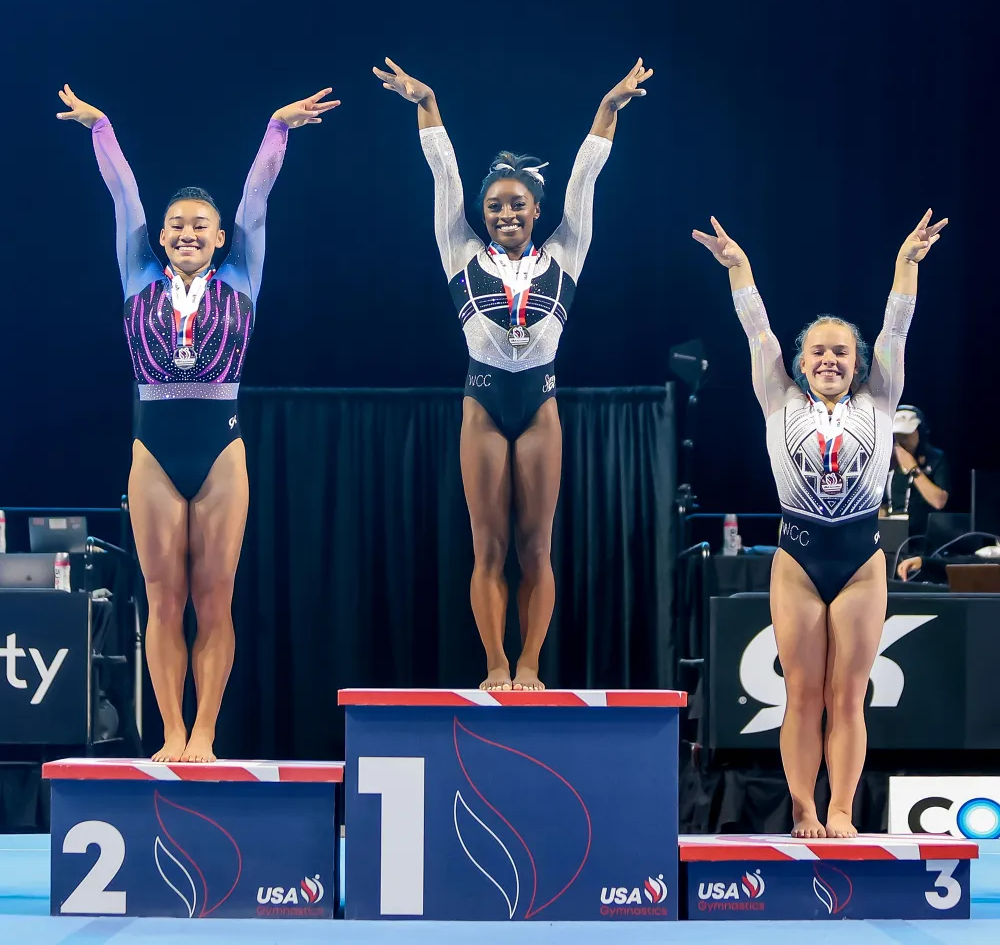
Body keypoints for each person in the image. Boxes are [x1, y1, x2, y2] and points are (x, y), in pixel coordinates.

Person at [58, 83, 339, 762]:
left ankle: (206, 733)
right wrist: (103, 130)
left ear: (218, 239)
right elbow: (122, 194)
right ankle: (171, 733)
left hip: (221, 448)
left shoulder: (242, 275)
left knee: (214, 600)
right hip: (154, 448)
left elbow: (258, 200)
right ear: (161, 237)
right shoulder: (137, 276)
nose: (186, 232)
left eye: (199, 226)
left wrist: (277, 129)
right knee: (163, 597)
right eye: (175, 224)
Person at [373, 57, 652, 691]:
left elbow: (585, 180)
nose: (505, 213)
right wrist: (429, 102)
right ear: (483, 211)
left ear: (535, 209)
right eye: (495, 205)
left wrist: (607, 110)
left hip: (540, 408)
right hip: (482, 405)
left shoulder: (566, 251)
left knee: (536, 550)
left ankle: (531, 664)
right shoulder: (460, 249)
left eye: (517, 204)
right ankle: (496, 664)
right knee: (488, 549)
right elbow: (443, 175)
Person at [693, 209, 947, 837]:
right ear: (802, 362)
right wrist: (740, 270)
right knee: (802, 694)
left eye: (841, 351)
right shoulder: (776, 397)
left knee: (848, 696)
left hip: (860, 561)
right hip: (798, 561)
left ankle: (841, 808)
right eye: (818, 351)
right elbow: (757, 332)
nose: (829, 358)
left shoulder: (878, 398)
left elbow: (898, 327)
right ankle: (804, 806)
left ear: (858, 361)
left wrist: (904, 266)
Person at [882, 404, 950, 537]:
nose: (903, 440)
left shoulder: (935, 458)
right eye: (898, 435)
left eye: (907, 435)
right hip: (892, 535)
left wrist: (913, 469)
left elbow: (939, 501)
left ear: (921, 432)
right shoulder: (887, 460)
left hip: (923, 537)